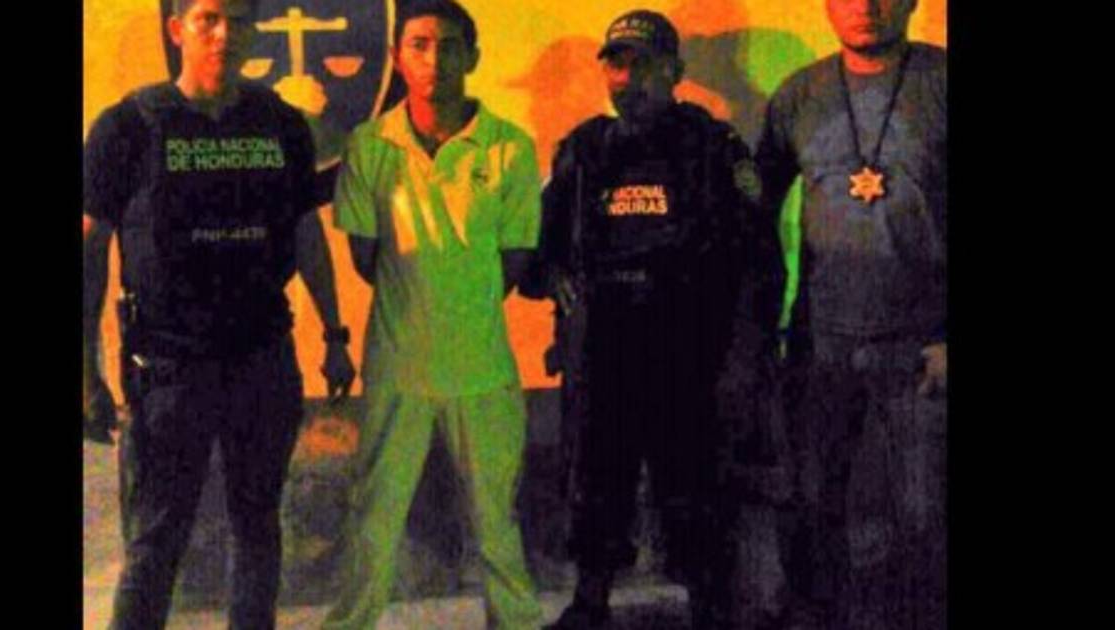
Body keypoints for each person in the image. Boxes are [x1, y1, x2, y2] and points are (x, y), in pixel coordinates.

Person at [81, 1, 356, 627]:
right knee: (156, 541)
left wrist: (336, 333)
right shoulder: (128, 127)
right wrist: (87, 371)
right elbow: (92, 251)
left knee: (257, 528)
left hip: (262, 358)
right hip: (169, 371)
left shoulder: (280, 123)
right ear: (177, 29)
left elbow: (305, 230)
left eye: (238, 20)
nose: (224, 33)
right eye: (208, 17)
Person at [524, 10, 784, 629]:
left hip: (688, 347)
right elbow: (539, 250)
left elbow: (759, 260)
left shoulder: (712, 147)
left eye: (643, 65)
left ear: (675, 71)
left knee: (694, 481)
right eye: (617, 65)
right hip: (604, 349)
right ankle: (590, 601)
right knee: (595, 479)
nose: (628, 78)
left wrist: (748, 354)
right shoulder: (584, 150)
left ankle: (708, 605)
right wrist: (552, 278)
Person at [320, 1, 543, 628]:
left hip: (483, 367)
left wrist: (457, 302)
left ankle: (517, 622)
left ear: (473, 56)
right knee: (375, 517)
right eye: (418, 44)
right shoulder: (370, 145)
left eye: (449, 46)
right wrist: (423, 303)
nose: (434, 59)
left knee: (496, 521)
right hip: (399, 367)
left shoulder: (508, 148)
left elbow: (515, 260)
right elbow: (366, 257)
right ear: (397, 57)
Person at [754, 1, 947, 628]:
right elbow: (754, 219)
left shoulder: (941, 83)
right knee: (813, 504)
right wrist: (762, 332)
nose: (865, 5)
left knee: (925, 516)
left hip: (923, 347)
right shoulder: (798, 96)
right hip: (821, 343)